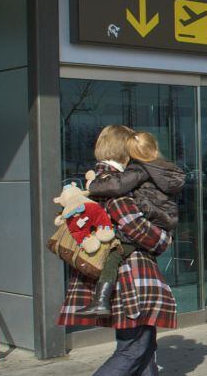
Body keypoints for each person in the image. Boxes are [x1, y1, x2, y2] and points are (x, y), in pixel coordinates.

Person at [50, 125, 178, 376]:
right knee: (132, 349)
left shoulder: (96, 182)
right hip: (131, 277)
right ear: (127, 152)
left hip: (115, 276)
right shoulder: (120, 191)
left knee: (143, 343)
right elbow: (147, 236)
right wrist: (165, 238)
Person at [79, 132, 185, 316]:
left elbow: (117, 186)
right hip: (162, 219)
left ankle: (101, 301)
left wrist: (92, 186)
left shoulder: (139, 170)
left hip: (146, 227)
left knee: (113, 257)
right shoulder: (164, 168)